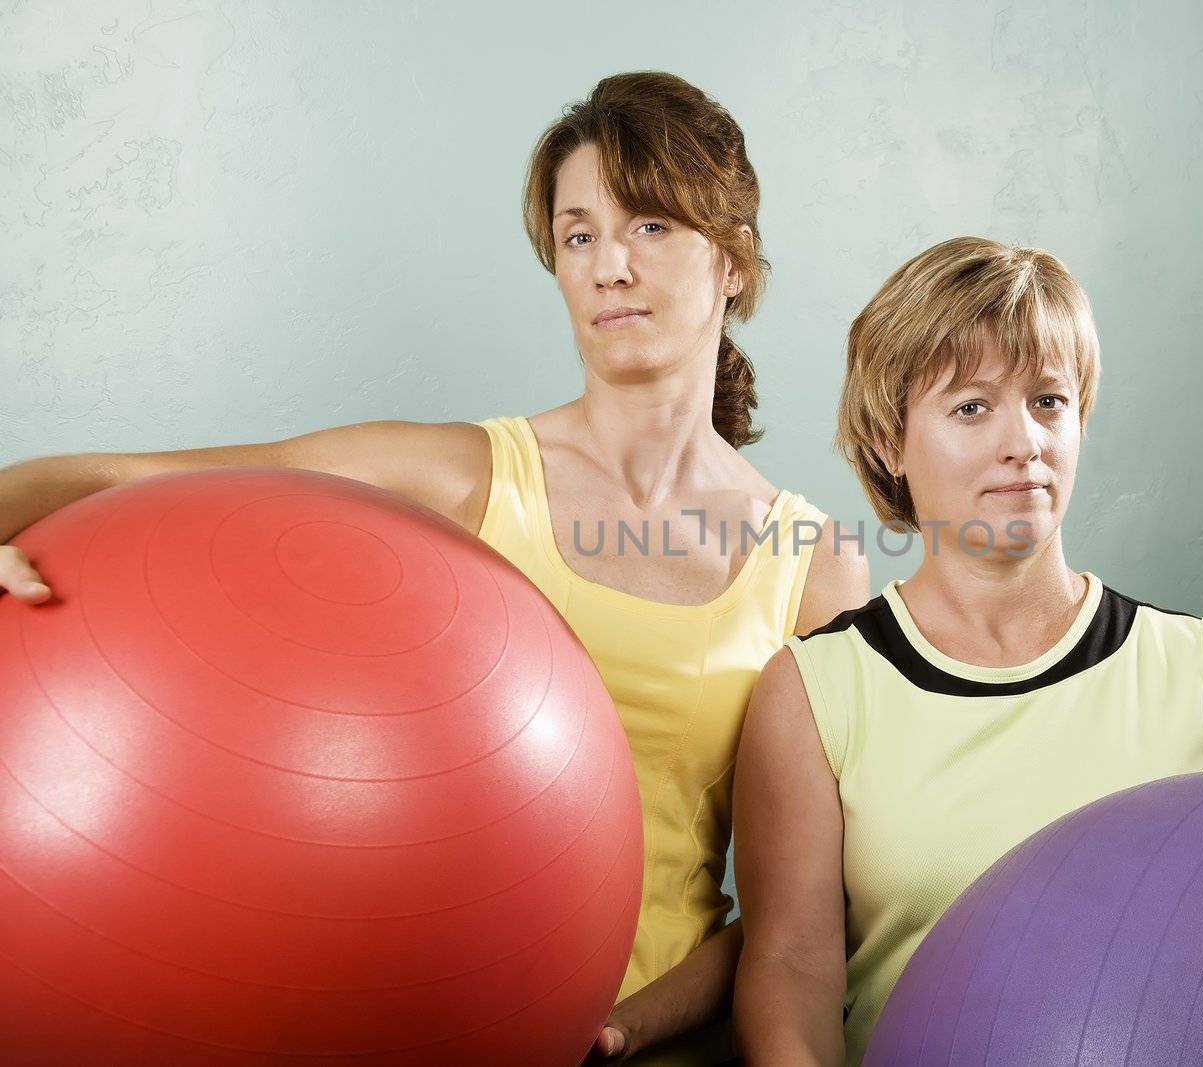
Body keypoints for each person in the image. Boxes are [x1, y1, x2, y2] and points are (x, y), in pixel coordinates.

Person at [0, 72, 869, 1065]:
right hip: (433, 1024)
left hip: (654, 1041)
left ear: (734, 259)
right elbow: (122, 479)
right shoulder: (462, 478)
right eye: (578, 234)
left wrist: (621, 1029)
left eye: (651, 226)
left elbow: (796, 922)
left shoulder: (812, 566)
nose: (609, 266)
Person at [730, 236, 1203, 1065]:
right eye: (972, 407)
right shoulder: (814, 690)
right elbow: (790, 967)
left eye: (1048, 400)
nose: (1025, 441)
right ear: (890, 442)